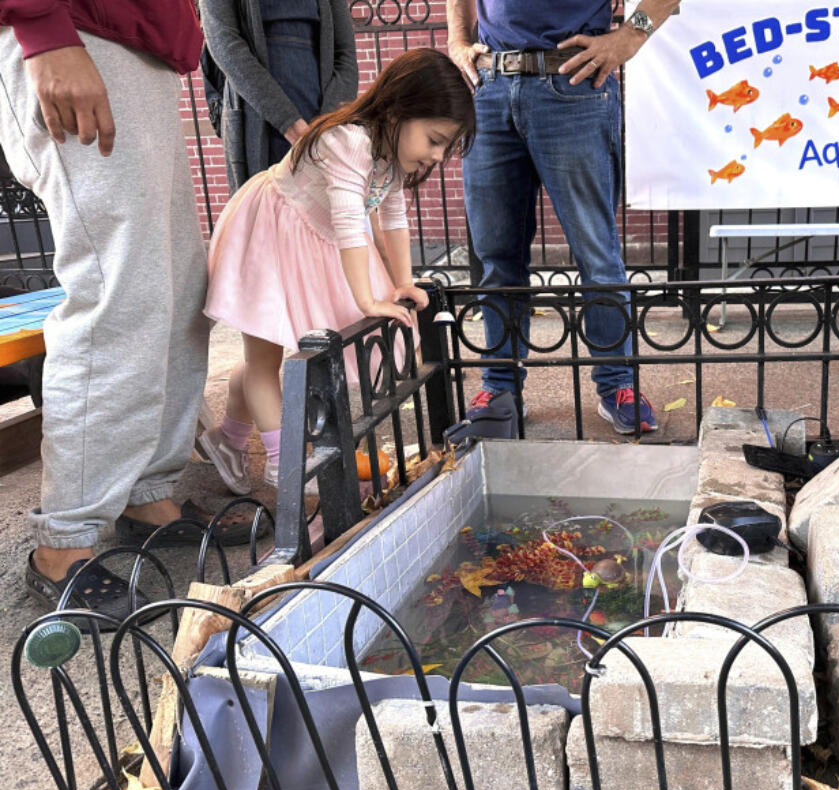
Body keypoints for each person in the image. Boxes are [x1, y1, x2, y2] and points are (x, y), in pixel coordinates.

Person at [0, 0, 252, 619]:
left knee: (176, 291)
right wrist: (41, 29)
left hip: (135, 40)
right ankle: (64, 543)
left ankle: (147, 495)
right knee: (121, 293)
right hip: (72, 33)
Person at [198, 49, 476, 494]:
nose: (439, 156)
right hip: (272, 232)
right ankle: (284, 465)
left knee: (264, 362)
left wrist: (403, 280)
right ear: (399, 110)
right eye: (435, 139)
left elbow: (393, 216)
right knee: (265, 363)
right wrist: (367, 299)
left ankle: (227, 440)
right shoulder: (347, 142)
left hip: (314, 239)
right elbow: (351, 225)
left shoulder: (390, 154)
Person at [446, 0, 679, 435]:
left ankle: (617, 386)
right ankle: (500, 391)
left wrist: (631, 36)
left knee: (597, 253)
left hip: (572, 84)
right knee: (496, 256)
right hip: (490, 87)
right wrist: (457, 41)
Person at [199, 0, 359, 191]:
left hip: (320, 116)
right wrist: (289, 123)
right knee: (266, 211)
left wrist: (327, 124)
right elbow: (224, 43)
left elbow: (346, 55)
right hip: (258, 119)